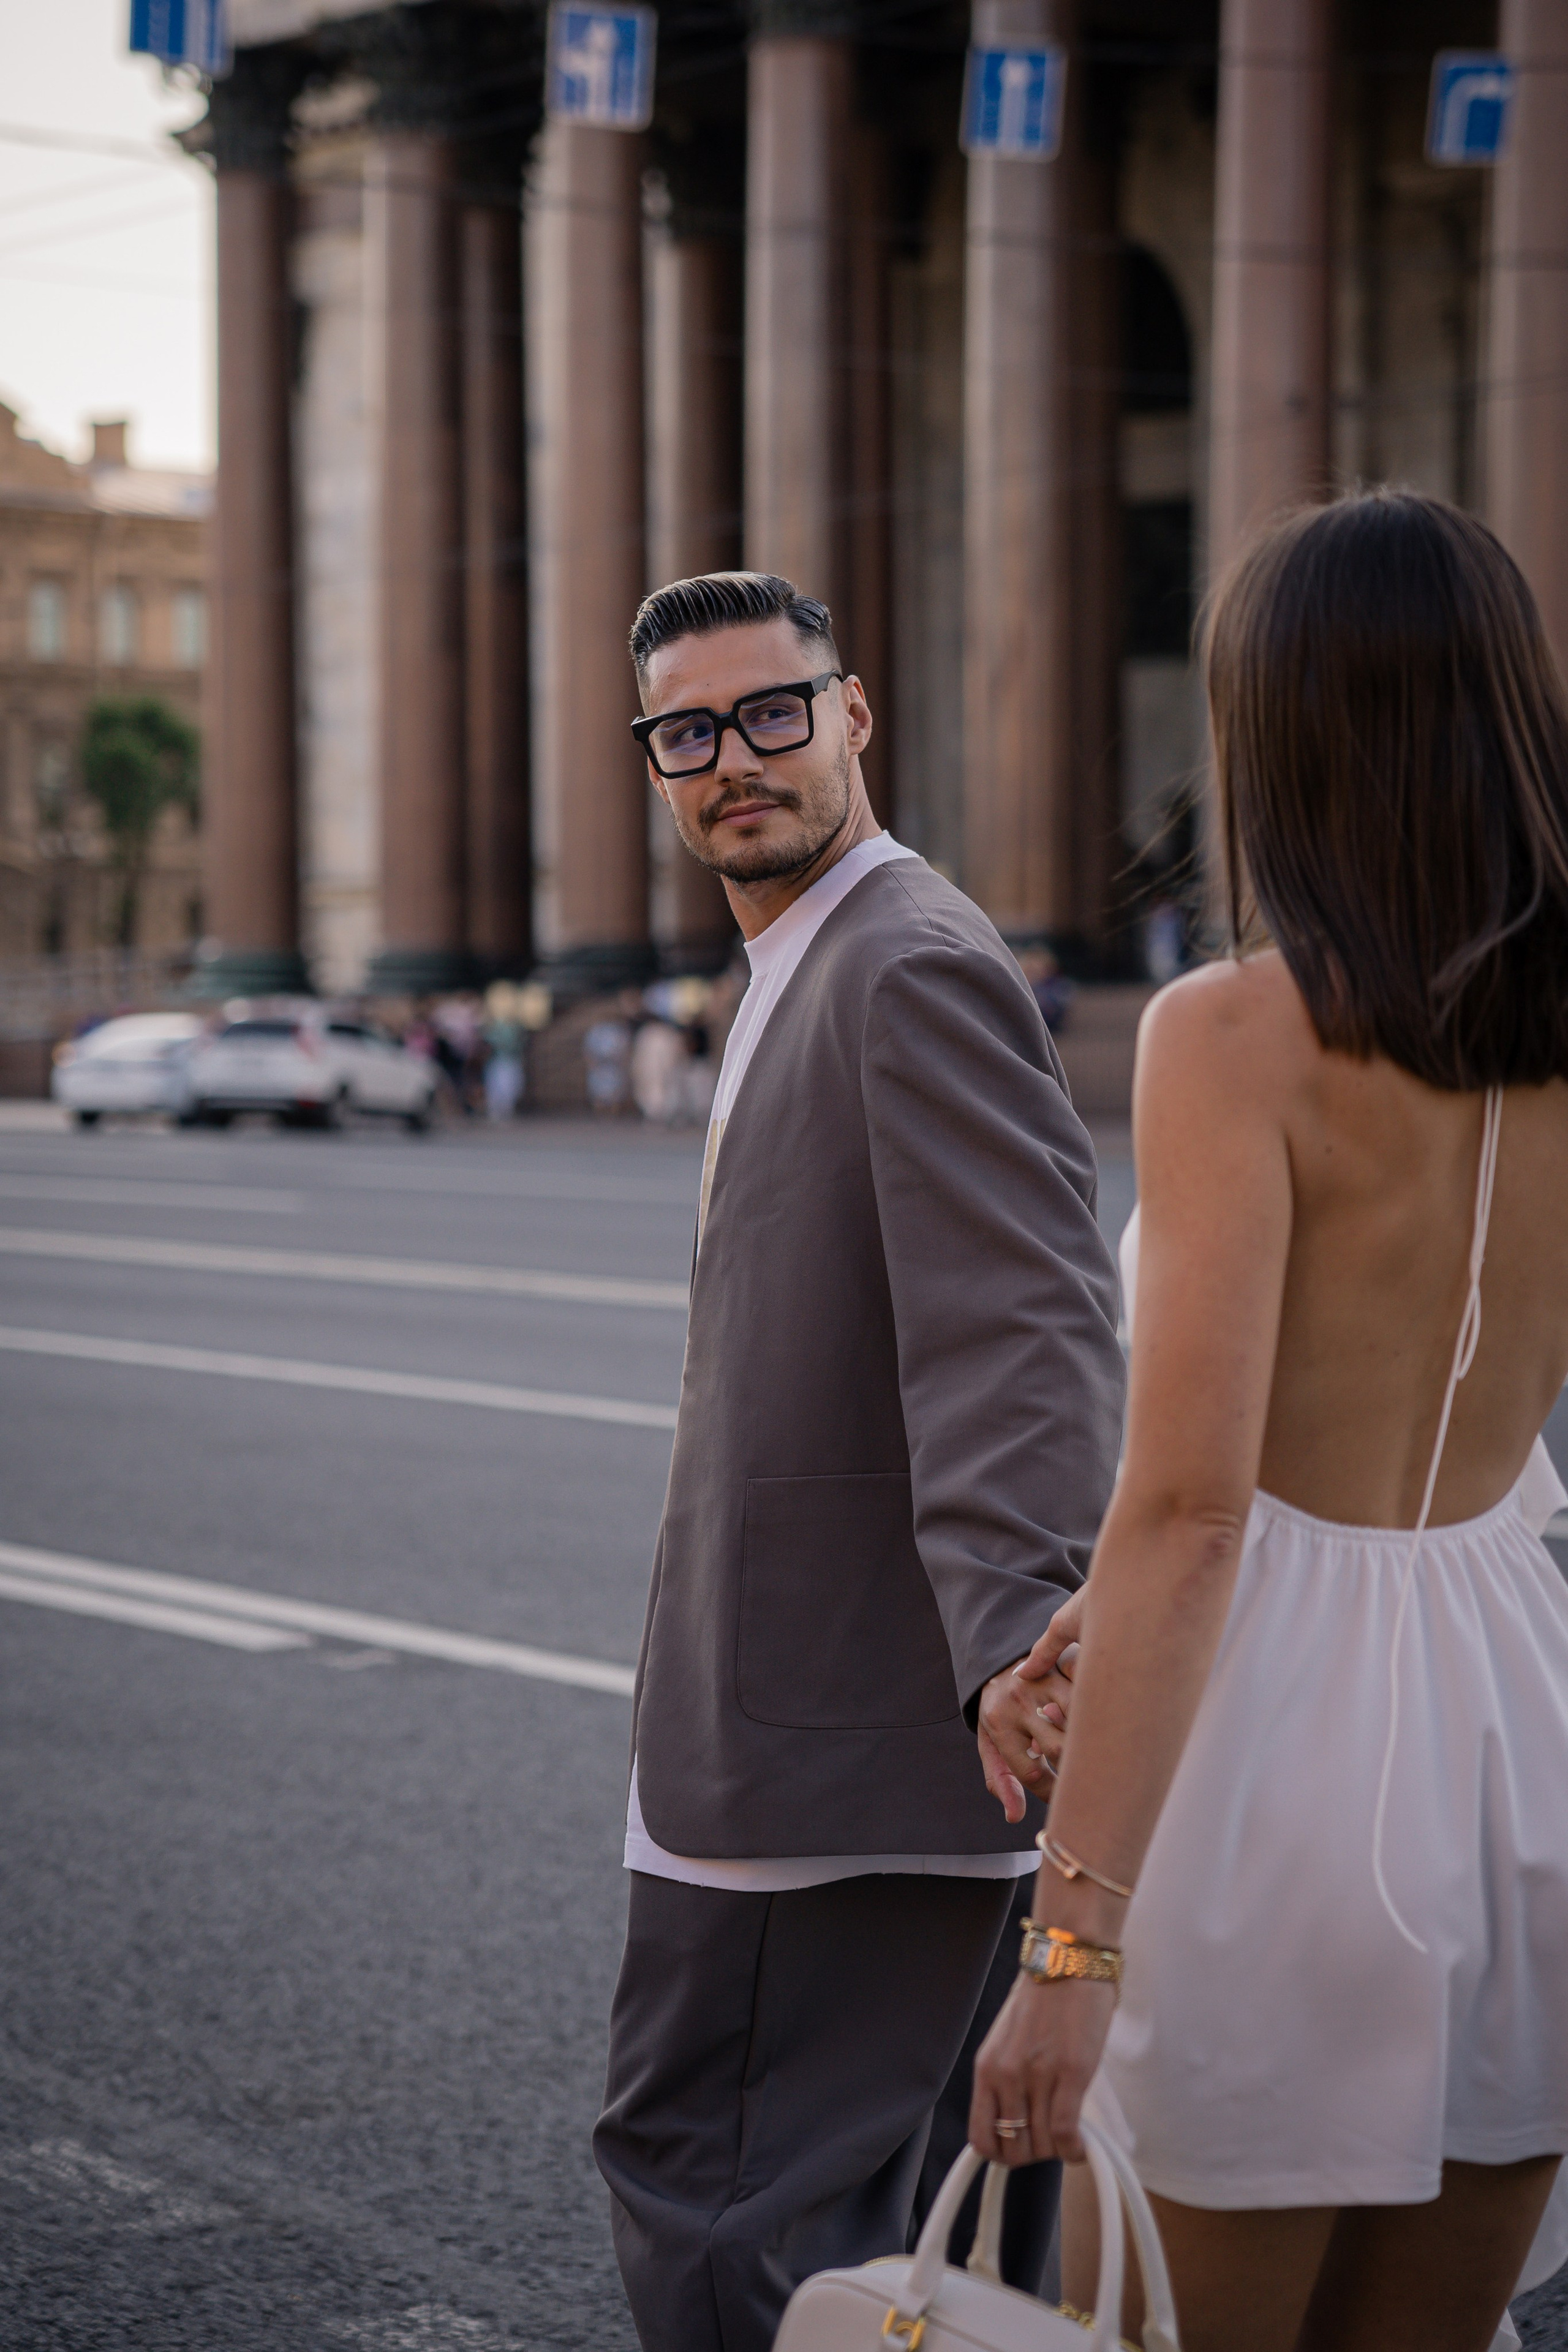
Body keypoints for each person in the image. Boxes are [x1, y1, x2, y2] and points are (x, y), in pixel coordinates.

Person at [970, 490, 1568, 2352]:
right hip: (1523, 1737)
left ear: (1280, 736)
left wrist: (1065, 1956)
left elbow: (1197, 1521)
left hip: (1275, 1784)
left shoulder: (1231, 1034)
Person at [592, 570, 1126, 2352]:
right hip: (851, 1746)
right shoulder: (811, 954)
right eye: (688, 732)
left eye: (770, 711)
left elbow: (1022, 1330)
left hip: (837, 1764)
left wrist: (1012, 1638)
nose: (734, 759)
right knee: (920, 2259)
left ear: (854, 711)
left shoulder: (900, 958)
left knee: (727, 2209)